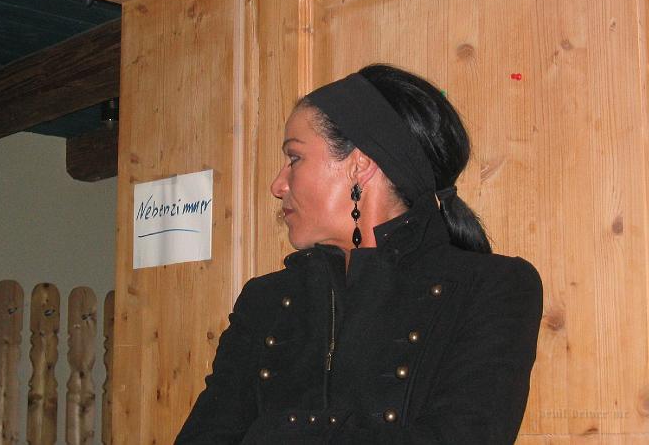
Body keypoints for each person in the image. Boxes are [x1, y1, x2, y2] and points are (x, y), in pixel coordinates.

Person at [176, 64, 543, 444]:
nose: (278, 185)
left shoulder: (491, 287)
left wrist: (268, 431)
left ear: (360, 165)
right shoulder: (265, 300)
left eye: (295, 158)